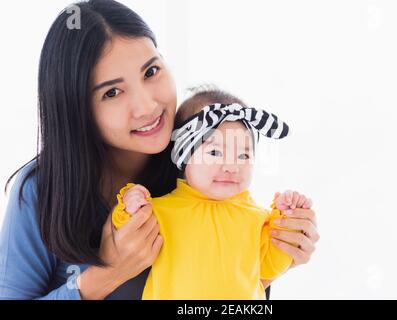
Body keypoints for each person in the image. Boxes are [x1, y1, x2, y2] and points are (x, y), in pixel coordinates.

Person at [0, 0, 319, 300]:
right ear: (76, 110)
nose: (147, 106)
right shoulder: (41, 191)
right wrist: (106, 275)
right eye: (112, 92)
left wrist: (278, 256)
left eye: (151, 72)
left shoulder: (197, 163)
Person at [112, 88, 313, 299]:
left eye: (244, 155)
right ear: (184, 155)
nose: (231, 166)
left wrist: (286, 221)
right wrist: (129, 207)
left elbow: (271, 267)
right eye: (215, 152)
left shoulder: (257, 217)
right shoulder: (162, 210)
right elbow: (126, 236)